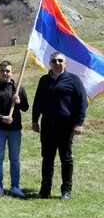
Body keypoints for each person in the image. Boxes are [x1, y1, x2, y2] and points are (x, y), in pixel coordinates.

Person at [32, 52, 88, 200]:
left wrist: (79, 123)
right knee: (47, 158)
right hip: (47, 126)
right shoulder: (44, 80)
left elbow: (82, 103)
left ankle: (66, 191)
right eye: (54, 61)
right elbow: (38, 101)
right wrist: (34, 120)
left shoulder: (73, 80)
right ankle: (45, 191)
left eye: (60, 61)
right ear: (50, 63)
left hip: (66, 126)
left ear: (65, 63)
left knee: (66, 159)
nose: (57, 63)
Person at [0, 61, 29, 198]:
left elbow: (26, 108)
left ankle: (15, 186)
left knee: (14, 159)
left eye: (8, 71)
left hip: (15, 130)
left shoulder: (18, 88)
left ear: (12, 72)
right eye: (2, 71)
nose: (5, 73)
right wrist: (1, 118)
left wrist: (19, 102)